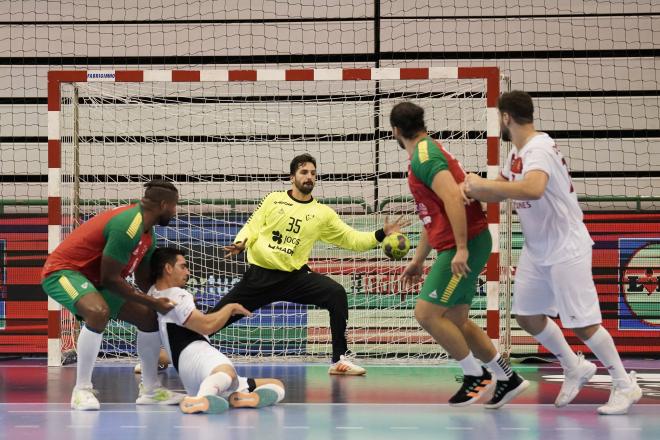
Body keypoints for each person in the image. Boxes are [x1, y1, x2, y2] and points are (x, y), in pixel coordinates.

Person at [463, 90, 642, 415]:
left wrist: (485, 187)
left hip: (565, 247)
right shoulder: (517, 153)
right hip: (537, 248)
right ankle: (573, 365)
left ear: (506, 117)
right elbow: (500, 188)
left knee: (583, 324)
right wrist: (469, 188)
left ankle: (624, 384)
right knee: (527, 315)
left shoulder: (539, 148)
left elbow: (533, 188)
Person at [209, 153, 409, 375]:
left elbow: (352, 239)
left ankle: (339, 360)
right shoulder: (273, 199)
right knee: (217, 317)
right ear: (292, 177)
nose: (309, 177)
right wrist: (240, 243)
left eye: (313, 173)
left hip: (294, 278)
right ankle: (184, 345)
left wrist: (382, 233)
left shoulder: (322, 214)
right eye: (304, 172)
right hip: (261, 277)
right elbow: (252, 227)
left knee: (335, 293)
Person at [390, 102, 528, 408]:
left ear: (395, 131)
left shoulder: (425, 158)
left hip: (463, 244)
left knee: (426, 314)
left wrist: (462, 248)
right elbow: (434, 214)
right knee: (457, 319)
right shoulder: (424, 155)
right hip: (459, 242)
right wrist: (417, 260)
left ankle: (473, 374)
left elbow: (453, 198)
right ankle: (507, 378)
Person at [41, 179, 185, 410]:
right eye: (175, 206)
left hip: (94, 280)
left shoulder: (148, 235)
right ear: (163, 204)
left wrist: (174, 300)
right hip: (63, 273)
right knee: (98, 312)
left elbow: (143, 281)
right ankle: (82, 390)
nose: (175, 212)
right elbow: (111, 279)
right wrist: (153, 301)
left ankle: (150, 390)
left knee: (148, 317)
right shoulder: (128, 225)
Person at [148, 247, 285, 414]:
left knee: (277, 385)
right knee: (227, 372)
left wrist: (152, 361)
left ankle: (235, 397)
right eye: (183, 266)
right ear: (168, 269)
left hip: (189, 370)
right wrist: (229, 308)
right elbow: (206, 326)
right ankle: (201, 399)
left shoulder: (153, 293)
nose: (188, 271)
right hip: (198, 354)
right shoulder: (178, 295)